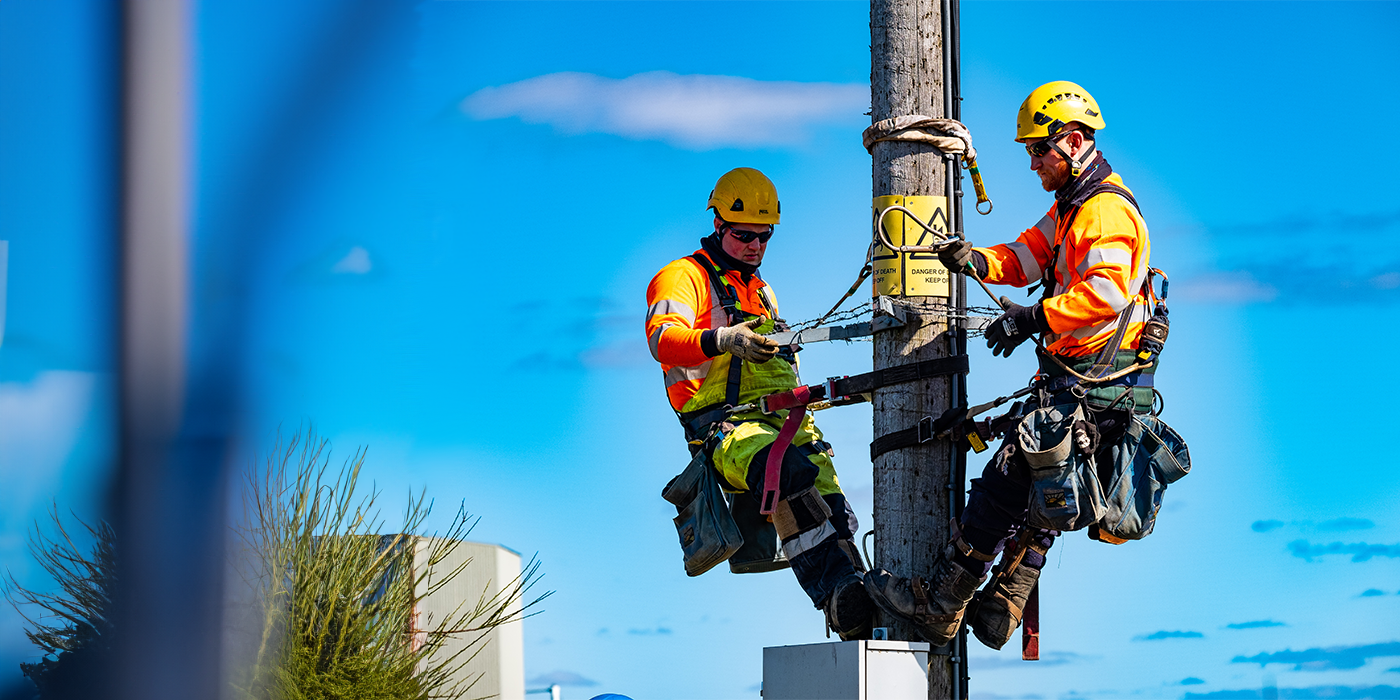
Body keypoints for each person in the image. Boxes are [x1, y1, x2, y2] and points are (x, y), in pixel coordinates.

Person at [864, 81, 1157, 649]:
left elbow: (1107, 294)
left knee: (1003, 485)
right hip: (1081, 381)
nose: (1031, 163)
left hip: (1098, 382)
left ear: (1071, 142)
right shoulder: (1072, 209)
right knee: (1028, 491)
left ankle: (945, 602)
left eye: (1037, 151)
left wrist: (1034, 320)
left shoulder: (1105, 213)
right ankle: (1000, 603)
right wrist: (973, 258)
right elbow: (1026, 257)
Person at [645, 167, 875, 640]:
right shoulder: (682, 277)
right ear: (718, 225)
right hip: (724, 429)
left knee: (829, 499)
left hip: (782, 417)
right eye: (743, 235)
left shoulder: (762, 292)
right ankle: (833, 591)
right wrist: (721, 339)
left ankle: (855, 597)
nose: (755, 246)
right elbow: (663, 340)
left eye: (763, 237)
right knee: (784, 470)